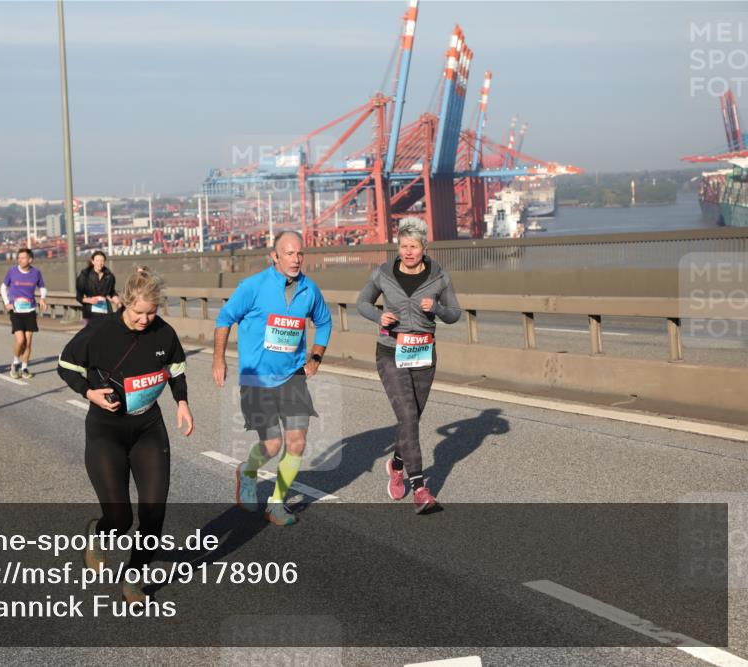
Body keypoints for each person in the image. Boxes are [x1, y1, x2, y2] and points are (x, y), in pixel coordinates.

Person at [57, 266, 193, 605]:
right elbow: (66, 364)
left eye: (151, 313)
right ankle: (97, 533)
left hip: (148, 427)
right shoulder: (101, 331)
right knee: (120, 518)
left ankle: (134, 577)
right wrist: (89, 393)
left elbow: (176, 368)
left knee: (153, 514)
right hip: (107, 429)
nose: (145, 319)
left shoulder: (164, 333)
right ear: (125, 304)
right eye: (138, 312)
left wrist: (182, 402)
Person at [213, 231, 332, 526]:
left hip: (292, 376)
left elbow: (325, 322)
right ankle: (248, 472)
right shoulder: (253, 287)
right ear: (275, 257)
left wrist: (316, 356)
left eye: (299, 254)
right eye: (289, 254)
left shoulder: (309, 289)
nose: (296, 259)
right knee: (272, 445)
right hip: (257, 379)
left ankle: (276, 503)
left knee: (297, 442)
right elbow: (224, 319)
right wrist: (219, 359)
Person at [356, 219, 462, 513]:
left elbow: (455, 314)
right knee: (409, 417)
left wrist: (437, 309)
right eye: (403, 247)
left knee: (411, 419)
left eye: (413, 247)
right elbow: (361, 302)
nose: (408, 252)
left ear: (424, 248)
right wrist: (379, 316)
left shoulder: (439, 277)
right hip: (391, 352)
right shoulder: (383, 274)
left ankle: (397, 464)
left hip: (424, 355)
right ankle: (420, 488)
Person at [1, 248, 48, 379]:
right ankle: (15, 362)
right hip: (16, 311)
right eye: (19, 257)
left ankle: (24, 368)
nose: (20, 260)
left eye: (23, 258)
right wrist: (6, 302)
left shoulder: (36, 273)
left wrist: (43, 298)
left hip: (30, 310)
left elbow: (43, 287)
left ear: (30, 259)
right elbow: (3, 287)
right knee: (20, 340)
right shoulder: (12, 271)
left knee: (28, 343)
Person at [75, 251, 120, 324]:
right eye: (97, 260)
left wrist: (118, 302)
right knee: (90, 334)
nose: (100, 263)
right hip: (90, 311)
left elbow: (111, 292)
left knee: (105, 333)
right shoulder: (84, 276)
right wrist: (89, 300)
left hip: (105, 310)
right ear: (93, 261)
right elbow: (78, 297)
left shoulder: (109, 276)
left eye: (102, 261)